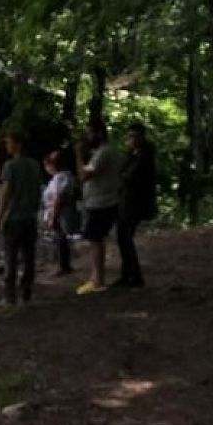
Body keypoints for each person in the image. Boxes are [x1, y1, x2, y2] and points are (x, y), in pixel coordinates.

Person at [0, 131, 42, 306]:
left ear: (18, 145)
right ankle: (26, 293)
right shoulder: (35, 166)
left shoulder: (10, 166)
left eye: (9, 143)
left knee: (11, 258)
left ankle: (10, 297)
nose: (7, 146)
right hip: (30, 218)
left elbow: (6, 194)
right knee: (29, 257)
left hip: (14, 218)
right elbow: (38, 191)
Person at [75, 120, 122, 295]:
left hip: (101, 203)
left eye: (90, 133)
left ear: (100, 133)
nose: (88, 137)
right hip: (100, 201)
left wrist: (78, 155)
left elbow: (83, 176)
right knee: (96, 239)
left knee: (96, 240)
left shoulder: (104, 153)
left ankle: (98, 280)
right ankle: (96, 277)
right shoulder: (102, 153)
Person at [116, 122, 158, 288]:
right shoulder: (135, 154)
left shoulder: (143, 155)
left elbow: (128, 176)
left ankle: (134, 276)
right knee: (123, 237)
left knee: (125, 237)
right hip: (129, 200)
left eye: (133, 136)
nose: (130, 139)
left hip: (135, 202)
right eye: (129, 136)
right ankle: (128, 274)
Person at [42, 149, 79, 276]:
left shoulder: (60, 177)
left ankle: (64, 266)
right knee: (60, 238)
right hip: (59, 211)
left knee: (60, 238)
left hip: (60, 212)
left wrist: (53, 216)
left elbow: (58, 198)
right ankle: (64, 264)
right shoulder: (61, 176)